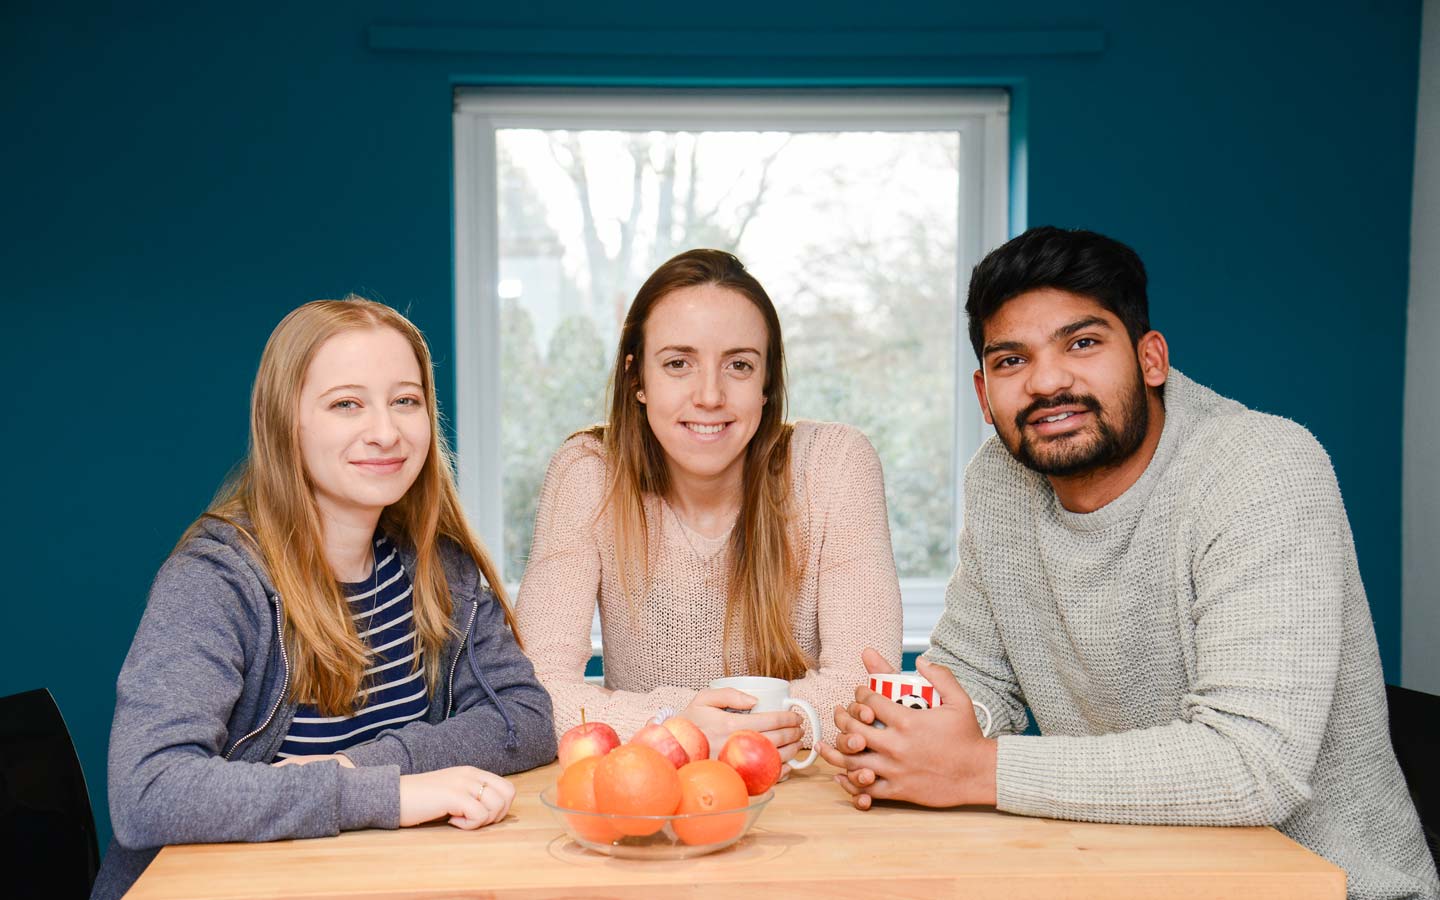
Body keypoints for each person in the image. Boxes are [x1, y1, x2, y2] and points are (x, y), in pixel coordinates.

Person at [821, 227, 1439, 900]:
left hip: (1325, 887)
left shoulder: (1262, 468)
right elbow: (977, 676)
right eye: (1011, 361)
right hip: (1120, 871)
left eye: (1082, 343)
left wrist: (975, 769)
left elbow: (1253, 765)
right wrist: (904, 729)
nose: (1048, 381)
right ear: (983, 393)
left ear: (1151, 359)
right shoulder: (1001, 478)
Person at [94, 298, 556, 899]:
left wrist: (364, 768)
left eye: (405, 401)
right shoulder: (217, 580)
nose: (386, 432)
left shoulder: (439, 566)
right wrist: (385, 794)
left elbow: (524, 718)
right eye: (346, 404)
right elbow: (149, 792)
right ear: (286, 423)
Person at [515, 249, 902, 757]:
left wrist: (735, 734)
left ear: (766, 385)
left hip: (809, 802)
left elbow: (866, 685)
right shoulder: (589, 473)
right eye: (679, 363)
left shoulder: (834, 465)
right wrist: (679, 725)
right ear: (637, 380)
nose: (710, 395)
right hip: (650, 800)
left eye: (739, 365)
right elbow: (532, 692)